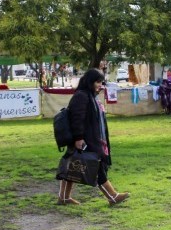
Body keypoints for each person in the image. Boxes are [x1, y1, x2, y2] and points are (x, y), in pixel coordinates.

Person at [56, 68, 130, 206]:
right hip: (85, 139)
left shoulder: (89, 95)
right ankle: (112, 196)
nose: (100, 85)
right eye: (98, 82)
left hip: (89, 138)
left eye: (101, 82)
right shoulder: (82, 96)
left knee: (72, 166)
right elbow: (77, 118)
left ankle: (63, 198)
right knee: (96, 166)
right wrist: (78, 138)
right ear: (90, 81)